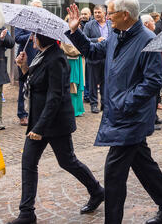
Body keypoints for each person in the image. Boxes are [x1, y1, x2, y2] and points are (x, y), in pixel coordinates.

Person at [65, 0, 162, 224]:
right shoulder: (116, 36)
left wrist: (124, 103)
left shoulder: (147, 40)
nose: (107, 17)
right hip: (119, 114)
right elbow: (91, 51)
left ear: (125, 15)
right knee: (144, 165)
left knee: (114, 172)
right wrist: (75, 31)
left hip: (132, 117)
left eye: (111, 13)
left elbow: (153, 82)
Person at [10, 33, 104, 224]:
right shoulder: (42, 55)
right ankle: (27, 213)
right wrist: (23, 67)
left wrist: (40, 127)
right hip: (39, 120)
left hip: (55, 123)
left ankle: (97, 191)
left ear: (43, 38)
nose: (33, 39)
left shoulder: (57, 58)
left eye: (36, 36)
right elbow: (35, 82)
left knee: (67, 161)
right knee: (28, 163)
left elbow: (55, 96)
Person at [14, 0, 43, 126]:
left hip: (40, 58)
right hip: (25, 58)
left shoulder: (42, 22)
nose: (37, 10)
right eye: (35, 8)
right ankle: (22, 114)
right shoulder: (22, 21)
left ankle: (35, 112)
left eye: (39, 8)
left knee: (38, 86)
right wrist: (29, 37)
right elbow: (17, 38)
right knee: (23, 86)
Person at [83, 4, 110, 114]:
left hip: (107, 58)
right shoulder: (89, 25)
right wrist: (96, 40)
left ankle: (104, 103)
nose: (97, 14)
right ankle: (94, 104)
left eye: (99, 12)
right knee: (93, 83)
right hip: (93, 58)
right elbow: (84, 39)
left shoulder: (110, 24)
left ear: (105, 13)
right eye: (95, 12)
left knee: (105, 82)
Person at [61, 36, 86, 117]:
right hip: (70, 61)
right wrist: (82, 49)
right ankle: (72, 109)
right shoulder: (64, 35)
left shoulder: (77, 33)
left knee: (77, 86)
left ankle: (78, 109)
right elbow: (69, 49)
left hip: (77, 61)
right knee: (72, 84)